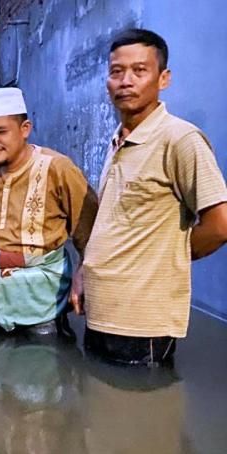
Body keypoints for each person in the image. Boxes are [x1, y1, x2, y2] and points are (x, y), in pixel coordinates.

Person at [83, 29, 227, 365]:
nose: (125, 81)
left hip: (142, 325)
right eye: (117, 72)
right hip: (102, 313)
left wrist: (165, 257)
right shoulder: (118, 140)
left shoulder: (180, 139)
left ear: (163, 78)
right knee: (104, 412)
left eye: (139, 71)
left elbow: (220, 225)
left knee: (142, 410)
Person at [0, 87, 98, 336]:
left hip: (42, 306)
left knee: (44, 368)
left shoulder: (57, 169)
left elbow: (91, 233)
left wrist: (83, 275)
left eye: (1, 132)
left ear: (25, 129)